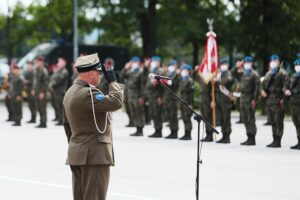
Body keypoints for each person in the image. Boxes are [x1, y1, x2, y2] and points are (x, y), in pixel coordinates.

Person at [63, 53, 123, 200]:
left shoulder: (70, 92)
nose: (100, 76)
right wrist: (113, 82)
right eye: (98, 73)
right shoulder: (88, 93)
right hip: (94, 156)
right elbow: (116, 102)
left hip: (78, 154)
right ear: (90, 73)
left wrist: (77, 144)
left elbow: (67, 126)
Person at [261, 54, 290, 148]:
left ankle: (278, 140)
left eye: (275, 61)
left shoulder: (282, 73)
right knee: (272, 121)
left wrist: (283, 99)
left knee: (278, 121)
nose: (273, 63)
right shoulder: (268, 73)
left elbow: (286, 86)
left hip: (278, 101)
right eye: (272, 61)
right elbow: (263, 84)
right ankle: (274, 139)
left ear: (278, 62)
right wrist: (262, 91)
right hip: (269, 101)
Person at [239, 56, 260, 145]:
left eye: (248, 63)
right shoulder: (243, 73)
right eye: (245, 63)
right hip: (243, 98)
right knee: (244, 118)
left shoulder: (255, 74)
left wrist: (254, 99)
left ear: (251, 63)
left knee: (251, 118)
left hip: (250, 98)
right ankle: (248, 136)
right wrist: (238, 66)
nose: (247, 64)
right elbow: (234, 74)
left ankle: (252, 138)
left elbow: (257, 88)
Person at [124, 56, 146, 136]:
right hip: (131, 95)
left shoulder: (140, 72)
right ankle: (137, 128)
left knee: (139, 112)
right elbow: (122, 76)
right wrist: (126, 68)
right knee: (134, 112)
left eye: (135, 62)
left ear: (138, 63)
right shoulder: (131, 71)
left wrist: (142, 97)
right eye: (132, 62)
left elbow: (143, 86)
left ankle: (140, 129)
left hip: (137, 96)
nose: (133, 64)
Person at [193, 66, 215, 142]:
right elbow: (194, 77)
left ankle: (210, 135)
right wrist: (196, 71)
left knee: (208, 116)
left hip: (208, 99)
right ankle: (207, 133)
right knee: (204, 116)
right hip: (202, 98)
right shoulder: (202, 78)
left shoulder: (210, 78)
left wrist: (212, 100)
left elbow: (213, 90)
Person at [215, 58, 234, 144]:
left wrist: (217, 80)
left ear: (227, 65)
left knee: (226, 119)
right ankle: (223, 135)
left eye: (224, 64)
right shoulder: (220, 74)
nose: (223, 66)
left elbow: (225, 82)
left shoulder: (228, 74)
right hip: (220, 100)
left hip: (226, 100)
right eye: (222, 64)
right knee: (222, 119)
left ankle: (227, 136)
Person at [146, 56, 165, 138]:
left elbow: (160, 86)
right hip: (151, 96)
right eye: (153, 61)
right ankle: (156, 130)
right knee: (153, 113)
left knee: (157, 114)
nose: (153, 63)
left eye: (155, 61)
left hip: (157, 96)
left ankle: (159, 131)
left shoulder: (160, 71)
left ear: (159, 62)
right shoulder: (152, 71)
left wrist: (161, 97)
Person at [49, 57, 69, 125]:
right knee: (58, 106)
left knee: (61, 107)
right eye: (58, 62)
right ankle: (60, 120)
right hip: (57, 92)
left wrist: (52, 85)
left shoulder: (64, 71)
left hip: (61, 92)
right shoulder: (59, 71)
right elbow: (53, 77)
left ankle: (62, 120)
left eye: (60, 62)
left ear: (64, 63)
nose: (58, 64)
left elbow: (58, 79)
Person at [164, 60, 180, 139]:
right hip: (168, 98)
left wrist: (176, 75)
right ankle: (171, 131)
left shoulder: (177, 75)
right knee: (169, 115)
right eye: (170, 65)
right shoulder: (168, 74)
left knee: (174, 115)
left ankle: (175, 131)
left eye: (173, 66)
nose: (171, 67)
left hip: (174, 98)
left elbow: (174, 84)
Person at [286, 59, 300, 149]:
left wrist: (295, 91)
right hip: (293, 103)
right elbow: (288, 86)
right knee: (296, 122)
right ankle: (299, 141)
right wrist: (287, 90)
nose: (297, 67)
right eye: (296, 65)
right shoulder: (294, 76)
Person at [178, 64, 194, 140]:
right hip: (183, 101)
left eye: (184, 70)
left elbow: (191, 93)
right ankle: (186, 133)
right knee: (184, 117)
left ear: (188, 71)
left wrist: (190, 104)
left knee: (187, 117)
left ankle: (188, 134)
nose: (183, 71)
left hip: (187, 102)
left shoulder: (189, 80)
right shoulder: (183, 79)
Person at [32, 56, 49, 128]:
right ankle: (41, 121)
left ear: (41, 62)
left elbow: (45, 83)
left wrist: (42, 92)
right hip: (37, 91)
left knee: (42, 107)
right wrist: (33, 89)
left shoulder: (44, 71)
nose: (36, 63)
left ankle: (44, 122)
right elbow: (35, 81)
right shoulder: (37, 70)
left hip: (42, 92)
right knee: (39, 107)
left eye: (37, 62)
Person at [230, 59, 244, 124]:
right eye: (237, 64)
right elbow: (232, 72)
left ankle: (244, 118)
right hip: (237, 91)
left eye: (239, 64)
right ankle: (241, 118)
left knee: (243, 105)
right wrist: (237, 67)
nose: (239, 65)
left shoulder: (245, 72)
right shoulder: (236, 72)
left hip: (244, 91)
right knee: (238, 105)